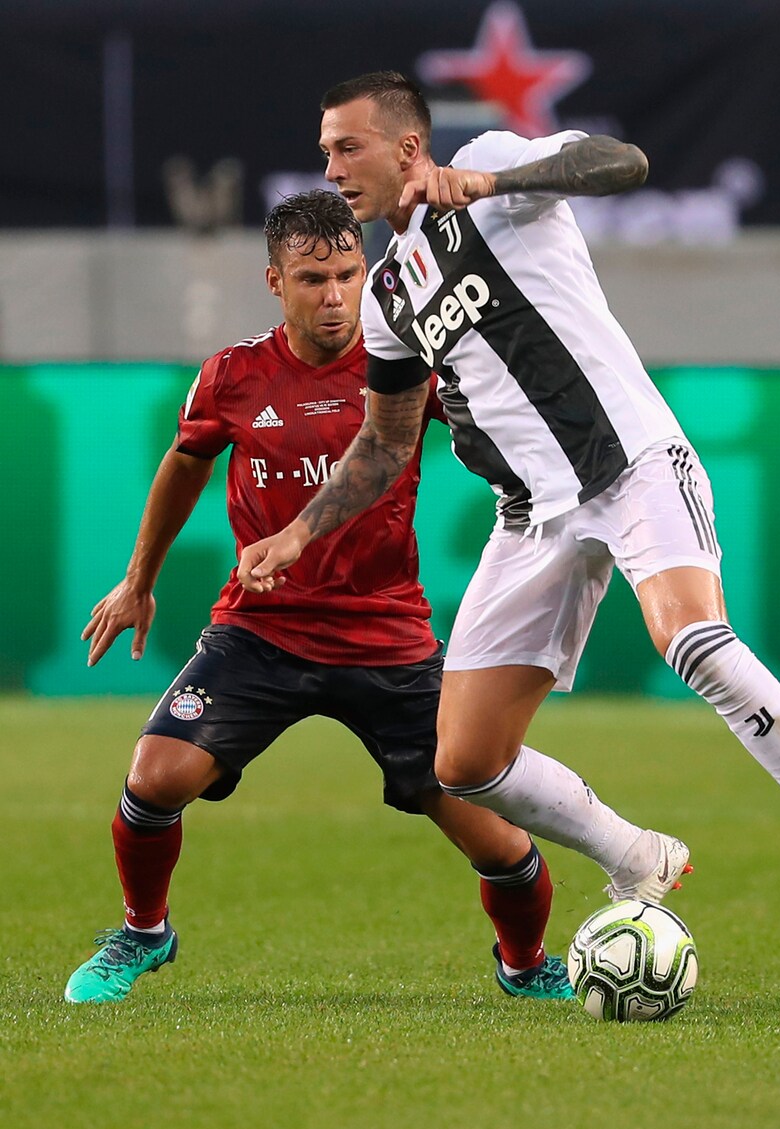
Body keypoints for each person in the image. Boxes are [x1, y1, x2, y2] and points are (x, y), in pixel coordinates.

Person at [237, 72, 780, 932]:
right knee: (464, 762)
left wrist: (493, 182)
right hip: (529, 517)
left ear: (407, 147)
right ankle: (634, 855)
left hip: (630, 463)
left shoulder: (491, 169)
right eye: (325, 151)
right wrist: (298, 534)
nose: (332, 168)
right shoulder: (387, 298)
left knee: (691, 640)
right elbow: (384, 441)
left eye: (347, 147)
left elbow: (620, 162)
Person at [64, 190, 576, 1005]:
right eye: (312, 279)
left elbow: (503, 438)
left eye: (347, 275)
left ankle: (524, 964)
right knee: (155, 777)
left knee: (497, 841)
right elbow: (185, 465)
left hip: (388, 638)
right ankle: (144, 931)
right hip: (261, 631)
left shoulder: (405, 367)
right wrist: (139, 580)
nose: (334, 296)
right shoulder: (232, 375)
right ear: (275, 280)